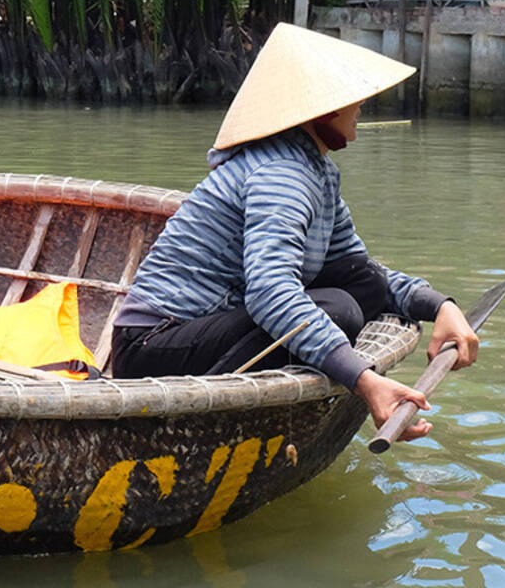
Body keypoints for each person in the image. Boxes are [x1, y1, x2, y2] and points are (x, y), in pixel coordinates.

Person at [108, 23, 479, 443]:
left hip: (207, 327)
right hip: (152, 347)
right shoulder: (281, 175)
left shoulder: (316, 172)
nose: (361, 104)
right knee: (338, 310)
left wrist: (440, 306)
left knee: (362, 286)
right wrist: (363, 379)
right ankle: (202, 422)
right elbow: (269, 292)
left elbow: (361, 272)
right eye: (347, 97)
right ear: (318, 110)